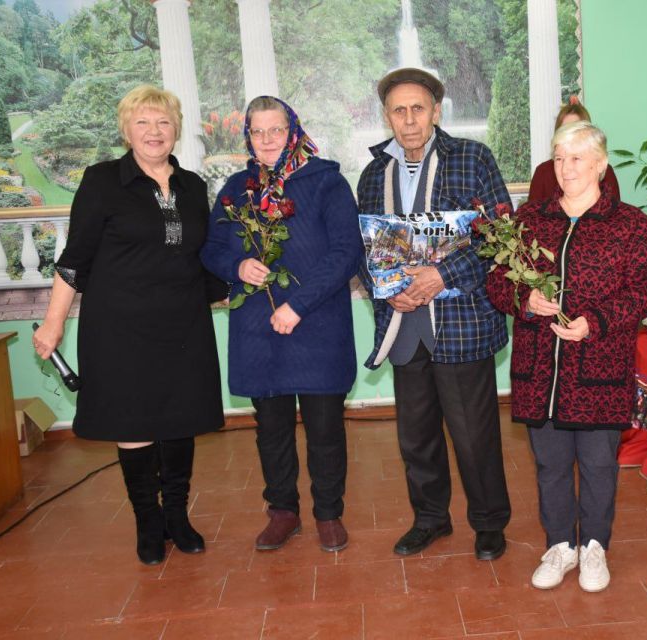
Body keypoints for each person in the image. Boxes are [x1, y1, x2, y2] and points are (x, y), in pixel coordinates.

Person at [32, 85, 224, 565]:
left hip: (184, 325)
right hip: (120, 328)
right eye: (143, 122)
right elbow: (74, 261)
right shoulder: (102, 182)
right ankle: (148, 521)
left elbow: (202, 259)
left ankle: (177, 517)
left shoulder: (194, 187)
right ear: (126, 130)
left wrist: (241, 282)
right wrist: (52, 325)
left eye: (163, 122)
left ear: (175, 128)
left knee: (181, 421)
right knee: (134, 423)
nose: (154, 132)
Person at [487, 121, 647, 592]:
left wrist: (596, 322)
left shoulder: (629, 223)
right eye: (560, 158)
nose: (566, 169)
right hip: (540, 369)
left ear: (601, 164)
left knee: (600, 465)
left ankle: (594, 548)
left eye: (578, 158)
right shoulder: (530, 220)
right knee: (551, 465)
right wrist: (526, 301)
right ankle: (561, 545)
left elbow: (644, 288)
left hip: (600, 368)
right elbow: (498, 281)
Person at [357, 68, 512, 560]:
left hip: (460, 322)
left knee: (474, 435)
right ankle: (430, 518)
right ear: (387, 117)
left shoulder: (472, 158)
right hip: (404, 325)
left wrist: (442, 276)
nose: (408, 120)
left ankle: (488, 522)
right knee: (416, 437)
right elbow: (366, 247)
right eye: (398, 111)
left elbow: (499, 234)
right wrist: (388, 290)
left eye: (418, 109)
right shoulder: (372, 173)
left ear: (437, 112)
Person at [200, 97, 361, 553]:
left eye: (275, 130)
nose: (267, 140)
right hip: (258, 326)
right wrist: (238, 265)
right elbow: (211, 249)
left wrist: (299, 305)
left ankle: (329, 513)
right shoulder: (236, 189)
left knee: (325, 427)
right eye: (257, 132)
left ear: (292, 131)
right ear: (247, 136)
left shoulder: (326, 181)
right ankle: (283, 512)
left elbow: (345, 252)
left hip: (318, 321)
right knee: (270, 427)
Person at [527, 97, 621, 203]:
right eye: (564, 130)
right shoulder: (543, 172)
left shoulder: (605, 171)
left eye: (576, 130)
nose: (570, 137)